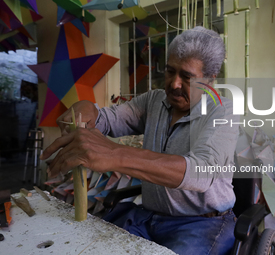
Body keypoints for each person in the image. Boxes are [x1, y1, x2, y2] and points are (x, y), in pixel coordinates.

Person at [41, 26, 239, 255]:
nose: (174, 84)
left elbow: (201, 172)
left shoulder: (223, 111)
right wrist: (88, 109)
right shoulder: (154, 101)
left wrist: (115, 154)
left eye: (186, 77)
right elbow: (108, 119)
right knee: (91, 247)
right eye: (169, 71)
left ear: (210, 81)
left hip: (202, 224)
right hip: (149, 216)